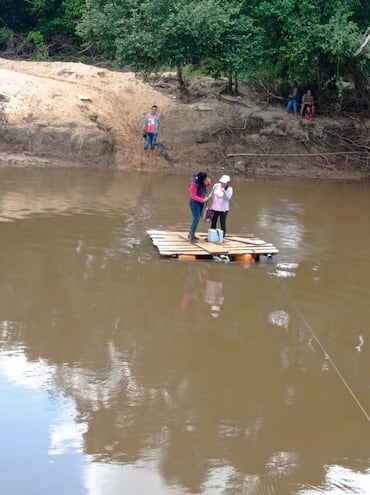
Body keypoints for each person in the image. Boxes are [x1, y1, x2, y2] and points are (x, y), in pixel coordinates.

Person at [189, 171, 210, 243]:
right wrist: (203, 200)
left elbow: (205, 186)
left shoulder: (201, 182)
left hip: (200, 203)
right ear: (202, 179)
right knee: (196, 217)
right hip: (194, 203)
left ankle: (192, 233)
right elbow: (193, 196)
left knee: (197, 218)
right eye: (205, 178)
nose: (207, 179)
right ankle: (191, 236)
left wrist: (208, 182)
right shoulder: (193, 185)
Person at [210, 175, 233, 239]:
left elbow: (228, 198)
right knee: (213, 223)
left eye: (224, 183)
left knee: (222, 223)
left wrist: (224, 192)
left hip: (223, 210)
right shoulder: (216, 185)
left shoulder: (229, 189)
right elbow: (212, 193)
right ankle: (212, 237)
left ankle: (222, 237)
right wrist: (208, 198)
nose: (222, 184)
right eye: (222, 182)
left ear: (228, 183)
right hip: (214, 208)